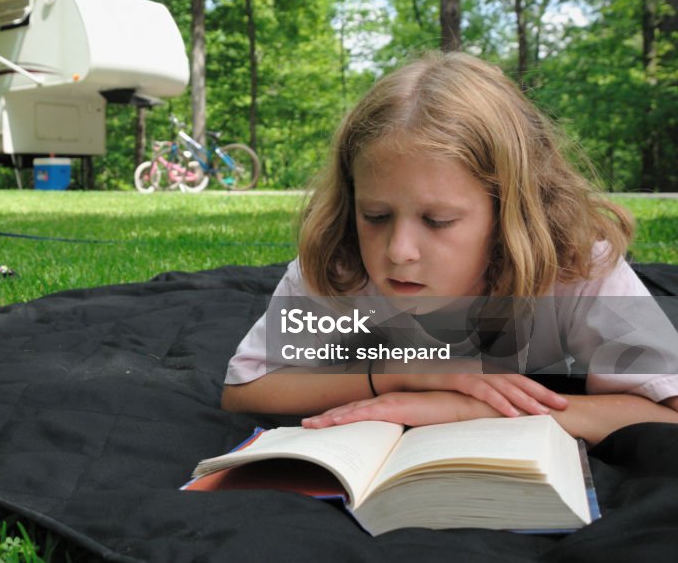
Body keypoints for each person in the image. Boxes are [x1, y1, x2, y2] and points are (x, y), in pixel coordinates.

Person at [221, 52, 678, 445]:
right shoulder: (340, 264)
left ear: (510, 213)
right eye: (375, 216)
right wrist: (398, 373)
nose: (398, 251)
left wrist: (465, 409)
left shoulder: (577, 265)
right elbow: (246, 388)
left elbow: (667, 410)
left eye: (437, 221)